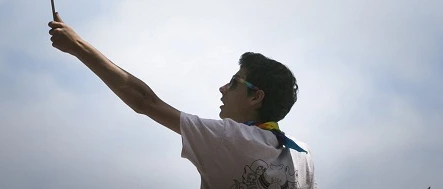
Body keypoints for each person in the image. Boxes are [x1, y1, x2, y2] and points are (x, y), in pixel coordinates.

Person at [48, 12, 317, 188]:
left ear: (256, 97)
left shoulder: (229, 137)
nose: (223, 88)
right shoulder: (302, 155)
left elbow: (145, 102)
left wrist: (78, 46)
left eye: (234, 82)